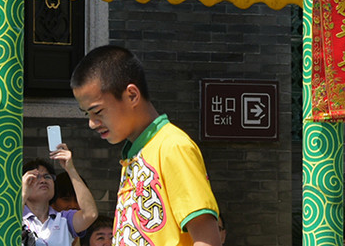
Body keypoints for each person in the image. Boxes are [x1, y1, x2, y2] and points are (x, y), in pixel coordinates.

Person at [71, 45, 223, 246]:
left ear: (132, 95)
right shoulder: (136, 154)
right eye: (87, 114)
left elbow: (207, 239)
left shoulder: (172, 146)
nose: (91, 123)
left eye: (97, 111)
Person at [21, 153, 98, 246]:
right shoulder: (17, 217)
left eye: (47, 176)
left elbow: (90, 214)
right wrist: (23, 195)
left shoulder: (64, 219)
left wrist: (70, 169)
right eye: (35, 177)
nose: (43, 181)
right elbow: (5, 228)